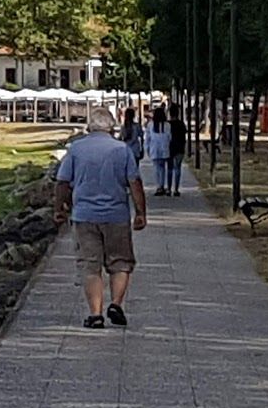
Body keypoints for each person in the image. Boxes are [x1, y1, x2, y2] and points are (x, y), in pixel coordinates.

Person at [54, 109, 148, 329]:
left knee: (90, 266)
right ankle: (116, 303)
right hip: (116, 215)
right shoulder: (122, 150)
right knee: (121, 262)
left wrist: (59, 208)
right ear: (112, 127)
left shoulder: (76, 149)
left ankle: (95, 314)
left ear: (89, 127)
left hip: (84, 216)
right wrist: (141, 213)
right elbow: (134, 182)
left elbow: (63, 182)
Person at [145, 109, 172, 196]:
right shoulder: (167, 125)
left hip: (154, 148)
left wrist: (147, 148)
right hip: (164, 148)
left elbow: (148, 138)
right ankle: (162, 185)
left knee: (156, 168)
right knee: (163, 168)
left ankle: (158, 186)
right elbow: (169, 137)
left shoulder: (150, 125)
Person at [167, 107, 187, 197]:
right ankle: (176, 189)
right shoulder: (181, 124)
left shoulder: (168, 124)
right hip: (179, 148)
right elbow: (184, 137)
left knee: (170, 169)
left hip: (170, 148)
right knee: (178, 168)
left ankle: (168, 188)